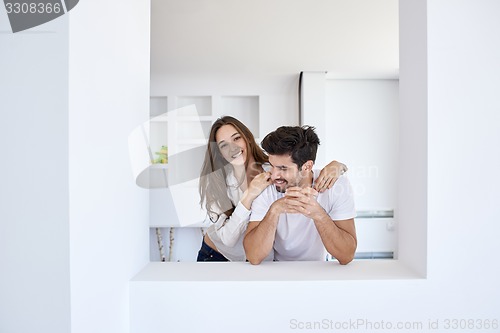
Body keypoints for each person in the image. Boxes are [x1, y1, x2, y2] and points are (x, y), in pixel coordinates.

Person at [197, 116, 348, 262]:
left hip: (255, 259)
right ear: (219, 151)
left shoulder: (273, 169)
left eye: (236, 138)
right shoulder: (217, 184)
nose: (233, 148)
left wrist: (338, 166)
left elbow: (303, 165)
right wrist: (249, 195)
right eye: (224, 145)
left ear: (247, 138)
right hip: (216, 253)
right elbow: (227, 240)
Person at [243, 125, 357, 265]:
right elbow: (253, 256)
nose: (273, 175)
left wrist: (318, 214)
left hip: (318, 270)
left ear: (307, 167)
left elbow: (346, 255)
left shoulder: (336, 186)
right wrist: (274, 210)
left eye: (283, 168)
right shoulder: (266, 187)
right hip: (276, 270)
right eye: (272, 165)